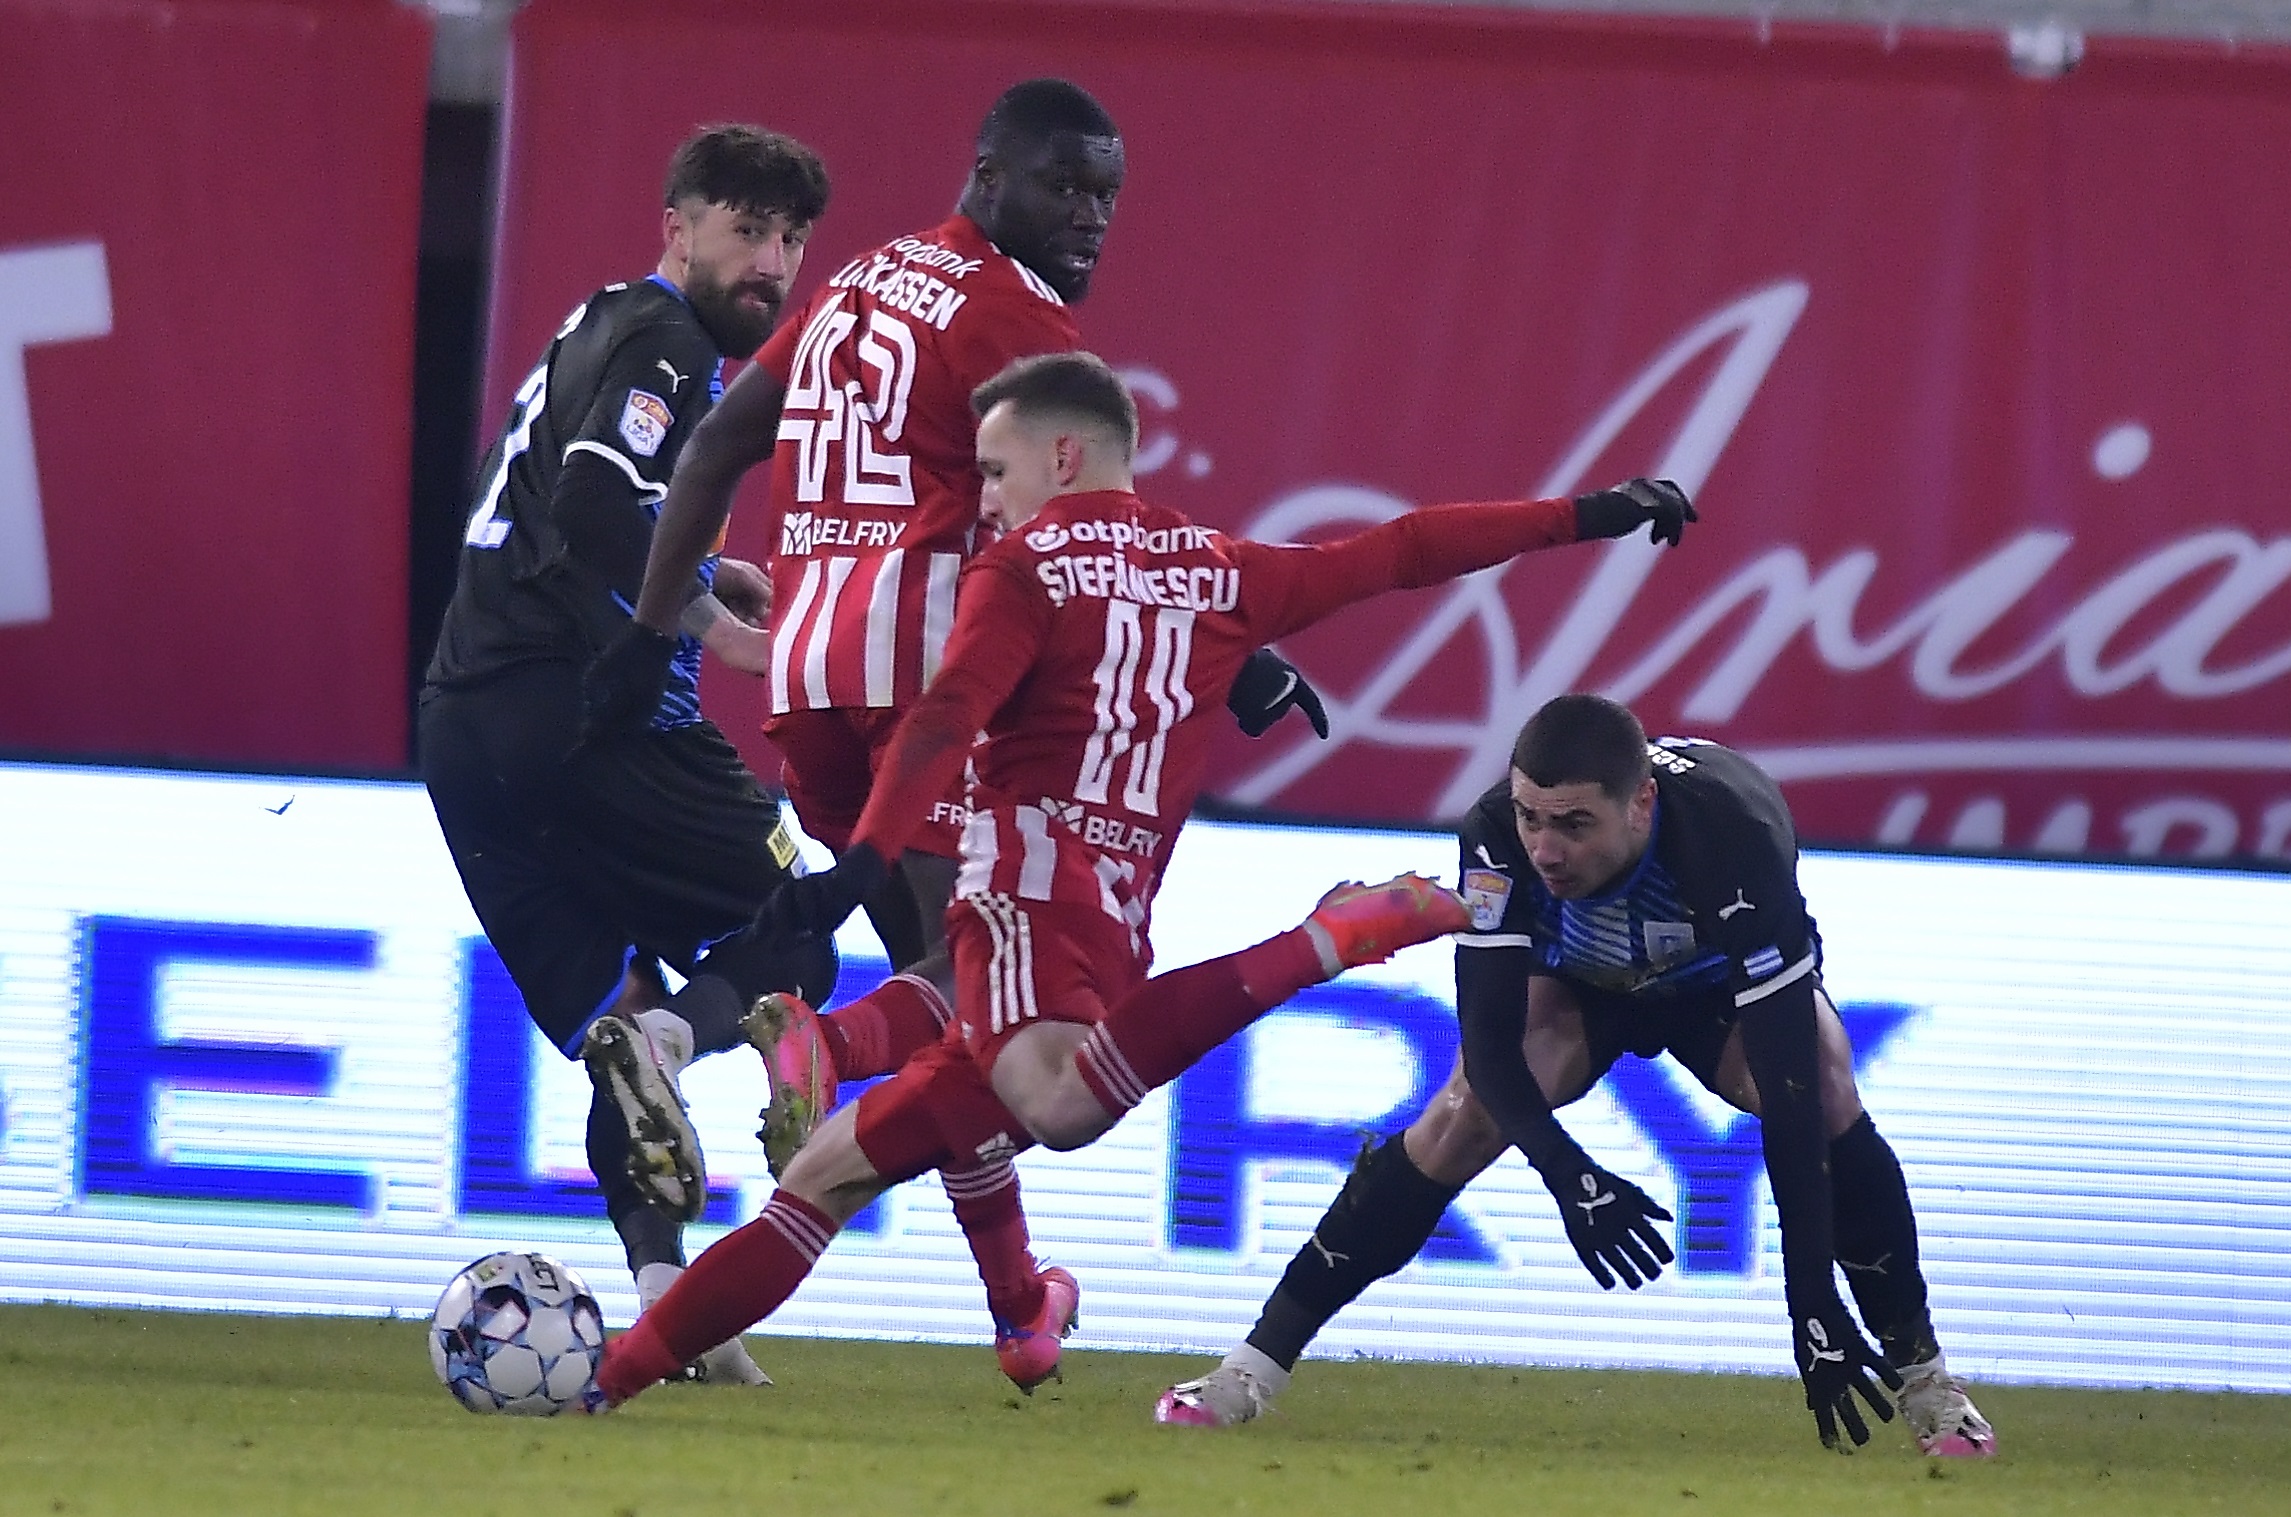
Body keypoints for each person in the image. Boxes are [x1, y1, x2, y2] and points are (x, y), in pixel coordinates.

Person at [576, 351, 1698, 1410]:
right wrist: (1587, 514)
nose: (992, 495)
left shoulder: (1018, 567)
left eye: (1001, 469)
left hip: (1018, 897)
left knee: (1058, 1105)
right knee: (822, 1177)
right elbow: (1403, 548)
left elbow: (947, 715)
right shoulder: (1218, 570)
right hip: (1113, 921)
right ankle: (609, 1381)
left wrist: (863, 858)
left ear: (1065, 458)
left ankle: (1335, 934)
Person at [581, 79, 1324, 1387]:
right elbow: (1102, 532)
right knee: (996, 1014)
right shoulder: (1011, 318)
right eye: (1063, 190)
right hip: (926, 681)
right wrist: (1244, 657)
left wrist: (654, 633)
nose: (1089, 221)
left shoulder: (857, 283)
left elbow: (708, 455)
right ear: (988, 176)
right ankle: (711, 1035)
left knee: (961, 1005)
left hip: (808, 678)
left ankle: (1017, 1308)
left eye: (1106, 197)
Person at [1155, 694, 1998, 1459]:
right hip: (1581, 988)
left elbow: (1790, 1096)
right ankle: (1249, 1368)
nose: (1544, 849)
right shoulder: (1493, 836)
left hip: (1713, 992)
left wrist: (1809, 1299)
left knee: (1828, 1084)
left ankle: (1928, 1383)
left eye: (1573, 824)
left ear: (1642, 805)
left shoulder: (1729, 837)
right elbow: (1487, 1046)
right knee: (1460, 1112)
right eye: (1531, 816)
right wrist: (1572, 1176)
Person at [416, 125, 842, 1385]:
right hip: (589, 715)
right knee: (800, 916)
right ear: (678, 223)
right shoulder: (668, 342)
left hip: (463, 727)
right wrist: (717, 626)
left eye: (791, 239)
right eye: (746, 228)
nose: (770, 261)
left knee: (621, 1010)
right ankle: (675, 1052)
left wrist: (702, 564)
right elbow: (602, 502)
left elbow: (558, 506)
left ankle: (674, 1311)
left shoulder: (590, 326)